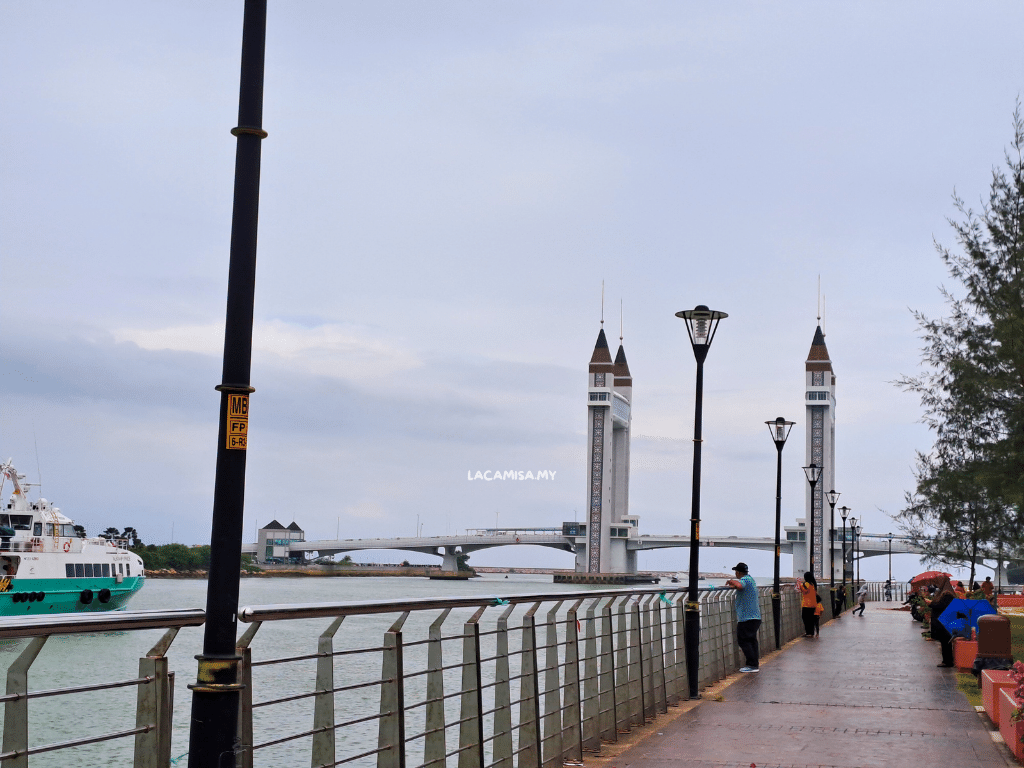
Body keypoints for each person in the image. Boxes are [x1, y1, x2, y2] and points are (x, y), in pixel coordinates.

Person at [725, 562, 761, 672]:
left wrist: (731, 581)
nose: (735, 574)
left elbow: (739, 585)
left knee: (743, 640)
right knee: (752, 641)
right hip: (755, 617)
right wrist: (734, 584)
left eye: (736, 572)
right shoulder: (751, 580)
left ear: (739, 572)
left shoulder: (744, 580)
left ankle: (752, 665)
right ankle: (754, 664)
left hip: (747, 618)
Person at [929, 576, 958, 667]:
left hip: (945, 622)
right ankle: (946, 660)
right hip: (944, 621)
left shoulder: (947, 594)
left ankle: (948, 661)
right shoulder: (944, 593)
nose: (936, 584)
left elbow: (941, 606)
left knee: (946, 642)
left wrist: (930, 603)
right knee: (944, 641)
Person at [796, 571, 818, 637]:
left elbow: (803, 589)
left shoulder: (806, 584)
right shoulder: (813, 584)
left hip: (807, 604)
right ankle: (811, 632)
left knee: (805, 618)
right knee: (811, 619)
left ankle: (809, 633)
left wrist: (799, 584)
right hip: (813, 604)